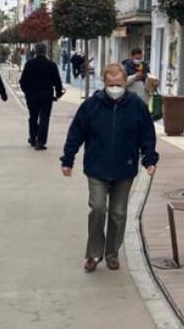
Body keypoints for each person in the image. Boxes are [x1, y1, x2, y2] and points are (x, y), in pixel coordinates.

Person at [60, 63, 158, 272]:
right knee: (97, 208)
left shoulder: (136, 105)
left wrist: (149, 159)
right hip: (97, 167)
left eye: (119, 84)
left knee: (118, 213)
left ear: (125, 82)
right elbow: (76, 133)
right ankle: (94, 253)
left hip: (125, 167)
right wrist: (68, 159)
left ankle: (112, 253)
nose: (115, 88)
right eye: (111, 84)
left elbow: (147, 134)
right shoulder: (91, 106)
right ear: (104, 83)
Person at [20, 43, 64, 149]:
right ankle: (41, 142)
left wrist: (27, 92)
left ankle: (33, 138)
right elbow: (57, 82)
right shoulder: (51, 65)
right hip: (46, 96)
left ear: (35, 51)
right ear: (45, 51)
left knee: (33, 117)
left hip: (32, 97)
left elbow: (22, 81)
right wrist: (58, 94)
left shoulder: (29, 64)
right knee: (44, 118)